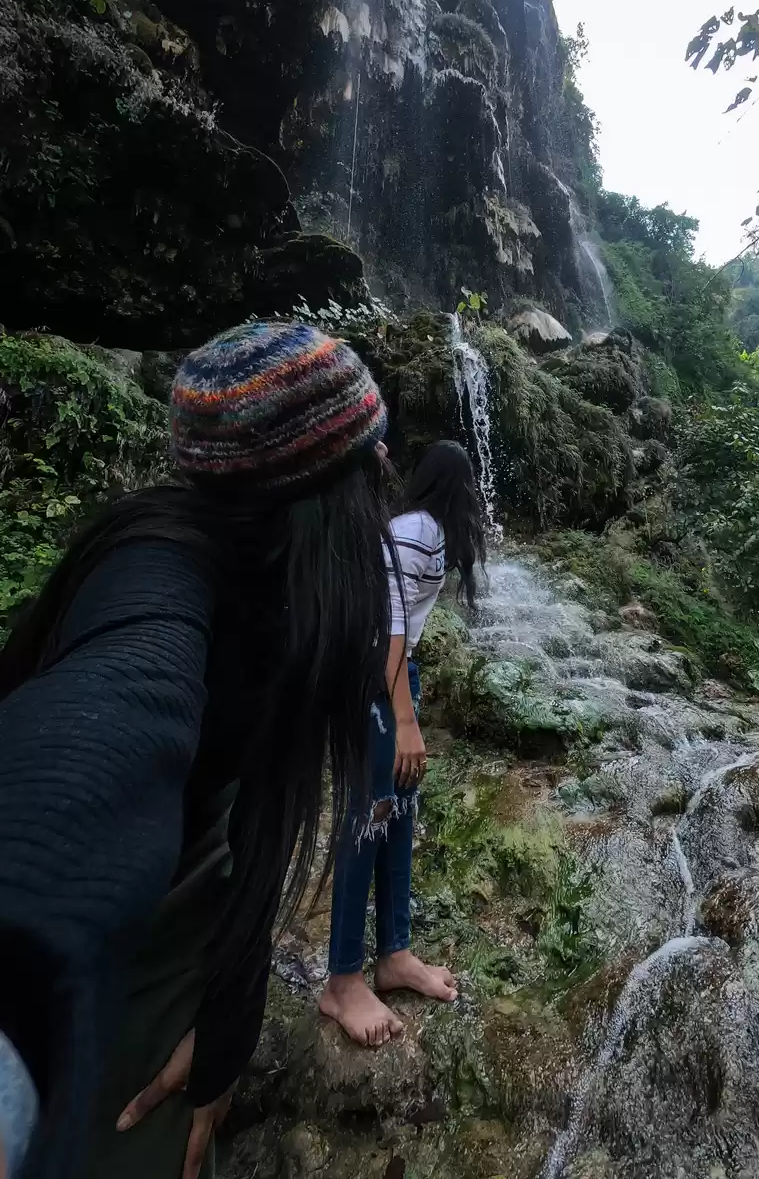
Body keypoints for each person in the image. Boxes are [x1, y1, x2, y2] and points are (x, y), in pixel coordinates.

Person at [0, 320, 393, 1179]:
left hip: (183, 880)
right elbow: (105, 728)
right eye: (374, 455)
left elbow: (261, 807)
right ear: (324, 488)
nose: (387, 476)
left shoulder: (289, 594)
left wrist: (227, 1025)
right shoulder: (155, 573)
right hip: (100, 907)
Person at [319, 440, 486, 1047]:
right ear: (458, 486)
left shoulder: (426, 529)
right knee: (370, 814)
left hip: (392, 673)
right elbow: (387, 623)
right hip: (372, 677)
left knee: (400, 807)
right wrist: (406, 717)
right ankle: (341, 978)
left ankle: (393, 953)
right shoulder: (415, 529)